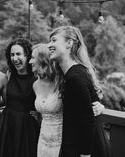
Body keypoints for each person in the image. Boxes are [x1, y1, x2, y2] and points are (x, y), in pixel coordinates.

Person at [29, 43, 106, 157]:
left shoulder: (63, 81)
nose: (30, 61)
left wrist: (100, 105)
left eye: (32, 58)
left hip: (63, 141)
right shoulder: (35, 84)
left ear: (42, 60)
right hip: (43, 139)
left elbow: (85, 99)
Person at [48, 26, 112, 157]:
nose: (49, 45)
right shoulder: (72, 74)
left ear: (69, 43)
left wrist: (85, 154)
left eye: (54, 40)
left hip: (84, 151)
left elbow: (87, 120)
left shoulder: (75, 77)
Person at [0, 38, 40, 157]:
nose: (14, 58)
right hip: (7, 125)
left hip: (26, 127)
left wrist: (40, 115)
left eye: (18, 54)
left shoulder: (36, 78)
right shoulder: (9, 74)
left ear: (28, 55)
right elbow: (6, 100)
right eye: (12, 55)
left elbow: (44, 101)